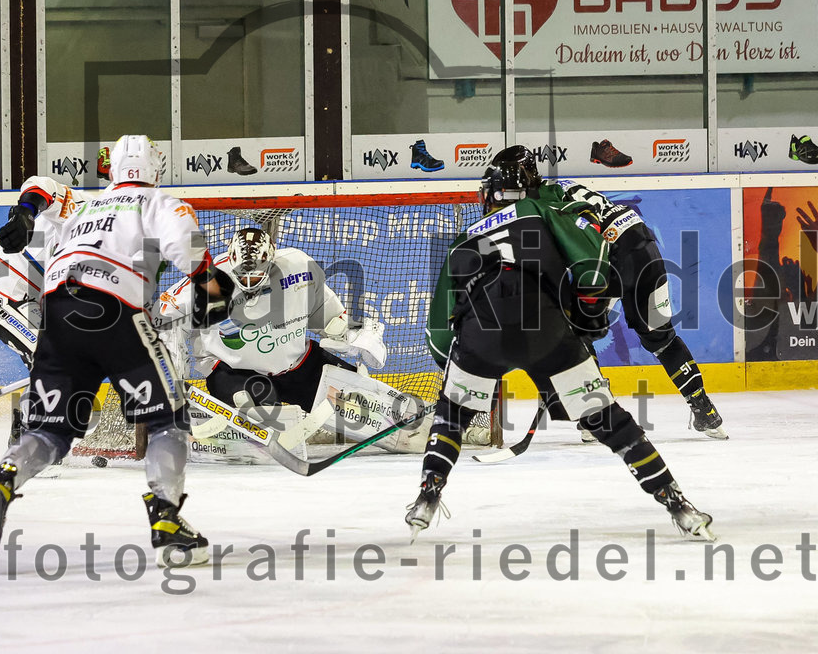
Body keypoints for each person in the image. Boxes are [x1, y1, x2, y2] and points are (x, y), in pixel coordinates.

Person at [408, 145, 715, 542]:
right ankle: (677, 504)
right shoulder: (541, 211)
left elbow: (438, 335)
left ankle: (427, 496)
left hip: (479, 336)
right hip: (548, 330)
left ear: (489, 195)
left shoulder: (462, 241)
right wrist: (584, 325)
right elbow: (593, 274)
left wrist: (464, 379)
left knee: (452, 419)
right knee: (607, 420)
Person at [0, 134, 234, 567]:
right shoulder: (160, 203)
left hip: (57, 312)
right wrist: (209, 287)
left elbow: (40, 185)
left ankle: (1, 482)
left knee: (51, 432)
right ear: (156, 170)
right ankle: (167, 521)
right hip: (113, 310)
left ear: (113, 170)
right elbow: (187, 251)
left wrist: (24, 212)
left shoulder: (87, 205)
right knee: (168, 419)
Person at [545, 178, 727, 440]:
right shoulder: (572, 189)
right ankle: (705, 409)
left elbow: (579, 240)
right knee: (662, 338)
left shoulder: (543, 203)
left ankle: (594, 415)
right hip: (643, 243)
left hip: (609, 252)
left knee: (578, 333)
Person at [156, 227, 388, 418]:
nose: (249, 281)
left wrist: (352, 333)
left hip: (297, 366)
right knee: (265, 408)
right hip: (235, 373)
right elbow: (165, 315)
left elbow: (325, 312)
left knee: (367, 407)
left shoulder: (298, 267)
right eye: (242, 275)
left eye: (256, 275)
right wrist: (174, 376)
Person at [0, 176, 80, 445]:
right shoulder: (87, 209)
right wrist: (26, 212)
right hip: (3, 293)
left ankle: (27, 427)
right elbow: (41, 184)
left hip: (31, 300)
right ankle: (32, 432)